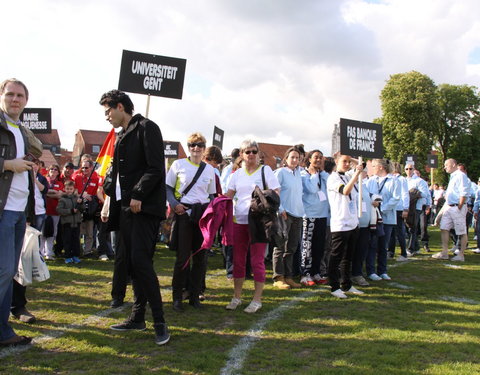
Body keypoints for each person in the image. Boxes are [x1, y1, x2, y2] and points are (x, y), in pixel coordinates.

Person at [99, 89, 170, 345]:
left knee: (141, 262)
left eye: (108, 110)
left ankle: (160, 322)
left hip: (144, 208)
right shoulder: (121, 136)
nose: (106, 116)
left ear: (120, 106)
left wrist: (138, 194)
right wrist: (108, 190)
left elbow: (155, 167)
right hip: (125, 209)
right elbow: (116, 173)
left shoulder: (147, 127)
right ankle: (138, 317)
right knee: (132, 264)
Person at [0, 78, 42, 347]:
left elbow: (37, 150)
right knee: (3, 270)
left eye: (20, 96)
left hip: (18, 210)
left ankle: (3, 329)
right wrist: (7, 164)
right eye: (10, 94)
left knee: (9, 272)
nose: (15, 99)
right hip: (3, 210)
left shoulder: (20, 129)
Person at [225, 140, 280, 313]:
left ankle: (257, 299)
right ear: (241, 154)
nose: (251, 155)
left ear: (258, 153)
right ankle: (237, 297)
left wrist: (262, 199)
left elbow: (276, 192)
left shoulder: (266, 170)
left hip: (258, 221)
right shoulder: (236, 174)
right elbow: (228, 196)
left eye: (254, 151)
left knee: (257, 261)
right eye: (247, 151)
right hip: (239, 220)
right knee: (238, 261)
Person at [166, 133, 216, 312]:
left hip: (202, 216)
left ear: (204, 148)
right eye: (192, 145)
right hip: (184, 214)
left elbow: (211, 195)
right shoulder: (178, 164)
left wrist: (210, 211)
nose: (196, 148)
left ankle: (195, 296)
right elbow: (168, 188)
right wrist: (174, 204)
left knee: (200, 258)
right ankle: (177, 297)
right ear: (188, 147)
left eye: (199, 145)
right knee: (182, 258)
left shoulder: (209, 169)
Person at [11, 158, 48, 324]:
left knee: (19, 262)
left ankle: (17, 306)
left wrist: (27, 216)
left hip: (18, 215)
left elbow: (30, 192)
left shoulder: (27, 165)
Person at [326, 154, 364, 298]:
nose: (347, 164)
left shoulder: (347, 175)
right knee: (336, 256)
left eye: (349, 162)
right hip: (340, 223)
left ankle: (346, 284)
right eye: (344, 161)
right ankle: (334, 286)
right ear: (336, 162)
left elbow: (363, 165)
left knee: (348, 257)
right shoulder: (333, 178)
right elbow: (345, 191)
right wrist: (357, 173)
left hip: (352, 222)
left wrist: (355, 161)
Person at [272, 147, 304, 289]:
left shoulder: (299, 173)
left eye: (297, 157)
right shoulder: (280, 173)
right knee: (279, 246)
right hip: (284, 214)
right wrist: (280, 209)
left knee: (291, 247)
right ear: (286, 158)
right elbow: (274, 191)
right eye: (292, 157)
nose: (295, 160)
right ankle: (278, 277)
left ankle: (288, 276)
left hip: (297, 214)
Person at [366, 159, 400, 281]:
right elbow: (367, 195)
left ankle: (382, 270)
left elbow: (396, 198)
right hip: (374, 217)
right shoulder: (371, 180)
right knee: (372, 244)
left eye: (374, 166)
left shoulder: (394, 181)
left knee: (383, 245)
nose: (372, 168)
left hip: (387, 217)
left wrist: (382, 208)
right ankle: (370, 270)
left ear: (381, 167)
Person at [299, 149, 329, 286]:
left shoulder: (322, 175)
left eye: (321, 158)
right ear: (309, 159)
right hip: (309, 215)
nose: (318, 160)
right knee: (307, 246)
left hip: (322, 215)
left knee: (319, 246)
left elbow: (329, 185)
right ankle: (305, 274)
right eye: (316, 157)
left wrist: (321, 172)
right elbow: (312, 189)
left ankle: (316, 272)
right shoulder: (304, 174)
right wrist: (313, 175)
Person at [432, 159, 470, 261]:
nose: (444, 167)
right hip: (449, 206)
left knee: (461, 231)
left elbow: (464, 192)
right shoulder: (453, 176)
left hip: (457, 207)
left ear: (453, 164)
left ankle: (461, 255)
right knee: (444, 228)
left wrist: (460, 206)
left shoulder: (460, 175)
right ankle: (444, 252)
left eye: (446, 165)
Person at [74, 159, 100, 257]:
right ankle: (78, 250)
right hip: (79, 208)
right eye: (83, 167)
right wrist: (82, 195)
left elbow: (98, 192)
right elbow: (73, 191)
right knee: (79, 232)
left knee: (90, 232)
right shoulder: (77, 178)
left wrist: (92, 197)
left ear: (91, 168)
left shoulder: (96, 179)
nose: (84, 169)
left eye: (86, 167)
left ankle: (87, 251)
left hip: (90, 209)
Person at [404, 163, 430, 256]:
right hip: (407, 206)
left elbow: (425, 194)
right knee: (409, 226)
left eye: (410, 169)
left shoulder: (420, 181)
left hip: (416, 206)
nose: (408, 171)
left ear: (413, 169)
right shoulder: (404, 180)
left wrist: (415, 193)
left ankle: (410, 248)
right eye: (406, 169)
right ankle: (417, 247)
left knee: (413, 227)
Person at [40, 164, 64, 260]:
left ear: (58, 172)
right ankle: (40, 252)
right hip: (44, 210)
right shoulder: (44, 180)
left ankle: (49, 252)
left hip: (55, 211)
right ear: (48, 170)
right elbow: (42, 191)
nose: (53, 171)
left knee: (53, 232)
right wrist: (54, 192)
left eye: (55, 170)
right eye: (51, 169)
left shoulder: (60, 183)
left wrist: (49, 193)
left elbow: (60, 195)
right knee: (42, 232)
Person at [56, 180, 84, 264]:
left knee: (76, 240)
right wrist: (70, 211)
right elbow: (59, 210)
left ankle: (75, 255)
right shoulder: (62, 200)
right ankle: (67, 256)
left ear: (73, 189)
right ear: (64, 189)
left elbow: (82, 209)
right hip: (67, 223)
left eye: (71, 189)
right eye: (67, 189)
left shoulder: (77, 199)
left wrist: (80, 203)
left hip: (76, 223)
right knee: (67, 240)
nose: (69, 190)